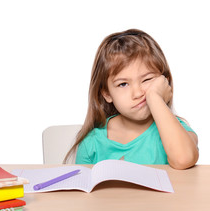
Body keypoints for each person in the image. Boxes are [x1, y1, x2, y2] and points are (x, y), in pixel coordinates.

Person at [65, 29, 198, 169]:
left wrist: (154, 97)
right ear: (107, 94)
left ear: (164, 82)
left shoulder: (176, 129)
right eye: (123, 84)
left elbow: (184, 159)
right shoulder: (92, 143)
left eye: (147, 79)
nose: (137, 93)